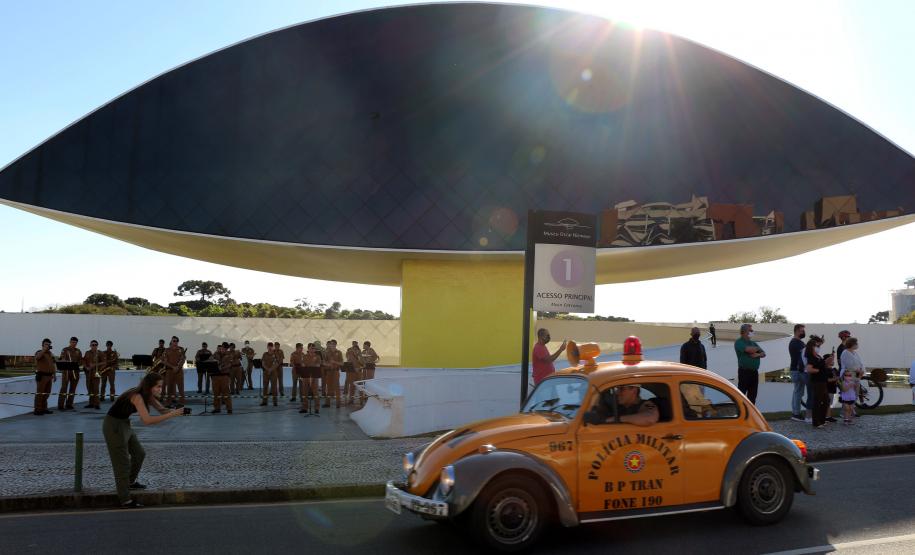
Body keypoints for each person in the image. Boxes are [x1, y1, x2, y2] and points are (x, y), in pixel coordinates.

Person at [103, 373, 185, 508]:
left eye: (161, 387)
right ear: (150, 386)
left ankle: (129, 482)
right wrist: (172, 414)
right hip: (113, 426)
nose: (160, 389)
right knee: (121, 464)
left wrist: (182, 412)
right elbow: (147, 420)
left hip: (124, 423)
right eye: (158, 387)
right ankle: (125, 500)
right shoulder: (137, 396)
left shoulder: (147, 395)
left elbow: (162, 410)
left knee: (139, 453)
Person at [585, 384, 659, 426]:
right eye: (617, 389)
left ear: (634, 390)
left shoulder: (646, 404)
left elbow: (649, 419)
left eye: (622, 389)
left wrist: (615, 419)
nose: (617, 393)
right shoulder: (618, 405)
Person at [805, 335, 835, 428]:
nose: (818, 348)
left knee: (826, 401)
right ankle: (816, 422)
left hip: (822, 381)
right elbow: (809, 369)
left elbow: (822, 365)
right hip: (817, 381)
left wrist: (827, 362)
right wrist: (819, 370)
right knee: (818, 401)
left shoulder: (817, 356)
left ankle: (822, 420)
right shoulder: (811, 357)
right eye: (817, 346)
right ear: (812, 347)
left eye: (819, 346)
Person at [734, 323, 765, 404]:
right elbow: (748, 350)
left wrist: (757, 354)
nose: (752, 332)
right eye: (750, 330)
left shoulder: (753, 343)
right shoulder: (739, 342)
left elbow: (763, 353)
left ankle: (750, 415)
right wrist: (757, 349)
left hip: (754, 372)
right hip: (744, 372)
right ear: (744, 332)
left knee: (753, 396)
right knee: (741, 395)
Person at [838, 337, 864, 424]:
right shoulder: (845, 353)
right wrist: (858, 370)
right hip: (848, 376)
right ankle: (845, 412)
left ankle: (852, 410)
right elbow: (850, 365)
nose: (857, 345)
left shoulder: (855, 353)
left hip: (856, 376)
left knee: (855, 394)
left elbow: (860, 363)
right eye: (856, 343)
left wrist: (862, 370)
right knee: (847, 394)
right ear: (852, 344)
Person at [788, 324, 807, 422]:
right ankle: (796, 413)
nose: (803, 332)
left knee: (798, 392)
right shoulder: (795, 343)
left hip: (798, 370)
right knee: (798, 392)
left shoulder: (799, 342)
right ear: (796, 331)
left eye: (803, 330)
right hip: (797, 370)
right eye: (801, 331)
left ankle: (796, 412)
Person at [57, 337, 82, 411]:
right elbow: (61, 359)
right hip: (67, 372)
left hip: (75, 372)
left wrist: (77, 364)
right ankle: (61, 405)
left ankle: (69, 404)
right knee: (64, 388)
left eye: (75, 342)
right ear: (70, 342)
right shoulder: (65, 349)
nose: (74, 344)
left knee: (73, 389)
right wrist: (66, 361)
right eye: (72, 342)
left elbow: (81, 361)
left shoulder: (78, 351)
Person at [33, 338, 56, 415]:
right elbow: (37, 358)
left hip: (49, 376)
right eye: (46, 344)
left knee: (47, 393)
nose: (48, 346)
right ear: (42, 345)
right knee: (40, 393)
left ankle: (44, 408)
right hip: (42, 376)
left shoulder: (50, 354)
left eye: (49, 345)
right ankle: (37, 410)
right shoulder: (39, 352)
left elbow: (53, 364)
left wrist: (54, 374)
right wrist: (43, 350)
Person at [162, 336, 186, 407]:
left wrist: (178, 367)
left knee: (181, 387)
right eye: (174, 341)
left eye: (176, 341)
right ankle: (168, 403)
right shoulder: (167, 350)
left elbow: (183, 359)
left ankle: (181, 403)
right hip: (169, 371)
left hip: (179, 371)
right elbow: (164, 361)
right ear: (171, 341)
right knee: (169, 387)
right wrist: (173, 367)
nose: (175, 342)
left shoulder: (181, 349)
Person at [81, 341, 105, 410]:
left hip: (96, 373)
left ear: (97, 345)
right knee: (89, 388)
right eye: (92, 345)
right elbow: (84, 361)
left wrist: (95, 365)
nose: (94, 346)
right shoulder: (87, 353)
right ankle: (91, 403)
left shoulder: (100, 353)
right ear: (90, 345)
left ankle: (97, 404)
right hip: (88, 373)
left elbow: (104, 362)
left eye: (95, 345)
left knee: (96, 389)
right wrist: (86, 367)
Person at [213, 342, 234, 414]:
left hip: (224, 376)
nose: (223, 349)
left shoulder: (229, 355)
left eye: (225, 348)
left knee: (226, 393)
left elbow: (230, 364)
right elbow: (211, 360)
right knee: (216, 393)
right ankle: (217, 408)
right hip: (215, 376)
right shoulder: (216, 354)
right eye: (222, 348)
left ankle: (229, 408)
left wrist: (221, 368)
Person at [301, 343, 322, 415]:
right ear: (308, 349)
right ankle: (304, 408)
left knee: (315, 392)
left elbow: (318, 365)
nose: (312, 350)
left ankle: (316, 408)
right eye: (311, 348)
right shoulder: (305, 356)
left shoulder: (318, 356)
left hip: (314, 377)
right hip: (306, 377)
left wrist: (309, 366)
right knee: (305, 392)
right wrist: (309, 366)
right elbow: (303, 364)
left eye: (314, 348)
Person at [323, 339, 343, 409]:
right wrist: (328, 364)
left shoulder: (339, 352)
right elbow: (324, 362)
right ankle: (327, 403)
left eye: (333, 344)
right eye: (330, 344)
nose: (331, 345)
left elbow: (342, 363)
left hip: (336, 371)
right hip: (329, 371)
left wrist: (334, 362)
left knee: (337, 387)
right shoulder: (327, 352)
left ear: (335, 344)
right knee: (328, 387)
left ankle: (338, 404)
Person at [360, 341, 379, 405]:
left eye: (364, 345)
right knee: (364, 381)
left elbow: (376, 357)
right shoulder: (362, 352)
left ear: (367, 345)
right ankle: (365, 395)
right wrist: (363, 362)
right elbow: (360, 359)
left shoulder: (371, 350)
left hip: (370, 367)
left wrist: (369, 359)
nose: (363, 346)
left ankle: (369, 395)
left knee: (369, 380)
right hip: (365, 368)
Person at [344, 340, 363, 405]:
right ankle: (351, 400)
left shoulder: (360, 354)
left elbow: (364, 364)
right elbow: (348, 362)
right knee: (351, 386)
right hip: (352, 372)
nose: (355, 351)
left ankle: (361, 400)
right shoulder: (349, 353)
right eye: (354, 349)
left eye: (356, 349)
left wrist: (359, 368)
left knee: (360, 386)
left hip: (359, 373)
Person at [260, 342, 279, 407]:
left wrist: (270, 369)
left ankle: (275, 402)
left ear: (272, 347)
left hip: (273, 372)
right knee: (265, 387)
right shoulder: (264, 354)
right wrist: (267, 369)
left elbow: (276, 364)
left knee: (274, 387)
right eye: (269, 346)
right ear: (267, 347)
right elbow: (263, 363)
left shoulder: (275, 354)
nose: (270, 348)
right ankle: (264, 401)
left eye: (271, 346)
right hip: (266, 372)